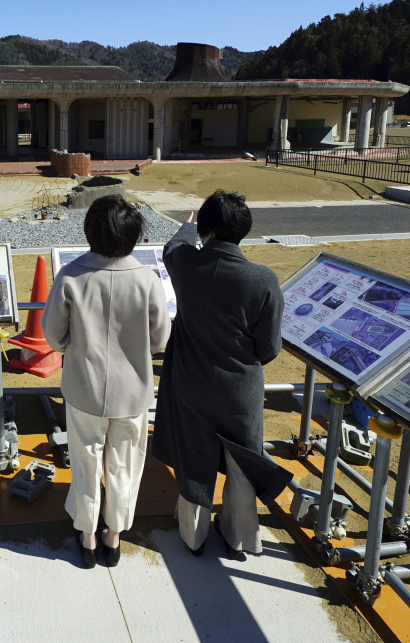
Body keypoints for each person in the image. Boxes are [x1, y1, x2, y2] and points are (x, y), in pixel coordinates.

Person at [151, 190, 291, 560]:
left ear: (206, 230)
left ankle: (193, 536)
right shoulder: (262, 279)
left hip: (190, 382)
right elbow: (269, 348)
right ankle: (239, 537)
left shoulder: (184, 263)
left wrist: (187, 226)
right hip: (240, 388)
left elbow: (173, 244)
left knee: (193, 459)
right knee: (243, 462)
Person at [41, 195, 171, 568]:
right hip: (132, 391)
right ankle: (113, 535)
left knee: (84, 460)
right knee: (124, 463)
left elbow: (53, 336)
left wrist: (74, 346)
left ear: (89, 231)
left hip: (83, 386)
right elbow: (160, 340)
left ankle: (87, 534)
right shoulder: (147, 279)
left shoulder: (71, 274)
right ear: (134, 236)